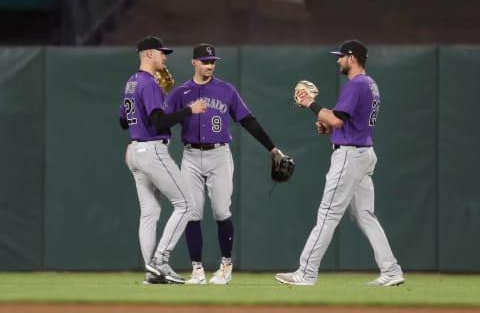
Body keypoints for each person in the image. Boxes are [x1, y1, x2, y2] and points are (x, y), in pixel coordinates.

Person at [275, 39, 404, 286]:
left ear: (352, 58)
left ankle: (306, 272)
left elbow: (336, 120)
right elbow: (342, 121)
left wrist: (309, 103)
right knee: (365, 215)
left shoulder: (356, 84)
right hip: (363, 151)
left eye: (341, 56)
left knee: (327, 214)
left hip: (350, 156)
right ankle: (392, 270)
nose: (338, 60)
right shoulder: (370, 84)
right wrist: (330, 128)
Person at [168, 43, 284, 285]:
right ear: (194, 62)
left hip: (219, 156)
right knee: (192, 213)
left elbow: (248, 121)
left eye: (212, 61)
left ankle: (226, 265)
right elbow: (164, 122)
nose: (210, 65)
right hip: (190, 156)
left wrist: (271, 147)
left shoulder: (226, 90)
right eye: (205, 61)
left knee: (221, 211)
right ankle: (197, 269)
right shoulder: (181, 93)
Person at [118, 35, 206, 284]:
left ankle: (151, 272)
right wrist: (190, 110)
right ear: (149, 54)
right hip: (153, 151)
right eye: (161, 53)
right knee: (187, 205)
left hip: (137, 151)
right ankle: (160, 261)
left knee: (149, 213)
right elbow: (159, 121)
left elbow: (123, 121)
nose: (164, 57)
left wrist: (136, 138)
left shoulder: (131, 83)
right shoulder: (148, 84)